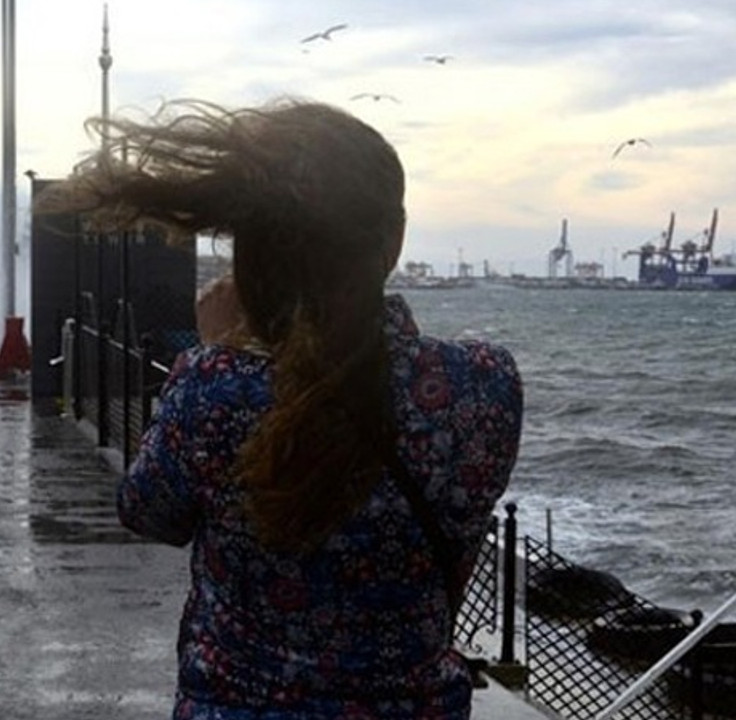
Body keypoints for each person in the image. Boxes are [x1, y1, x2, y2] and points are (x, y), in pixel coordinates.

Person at [43, 99, 524, 718]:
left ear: (253, 250)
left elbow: (149, 513)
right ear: (393, 240)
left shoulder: (213, 387)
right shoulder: (485, 386)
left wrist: (212, 353)